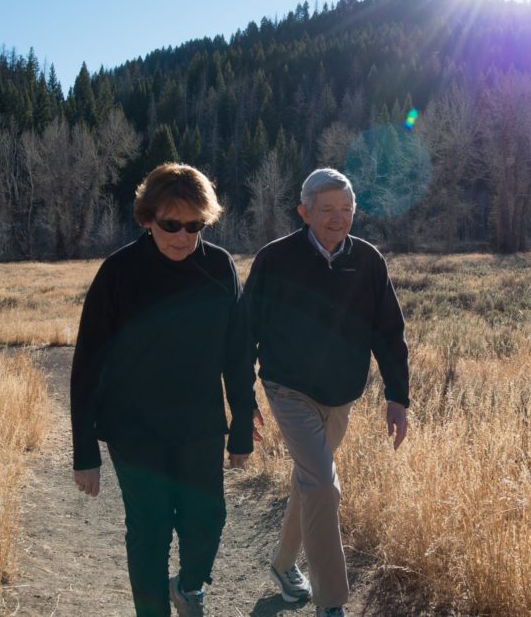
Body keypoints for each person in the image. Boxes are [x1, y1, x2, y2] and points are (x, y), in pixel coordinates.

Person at [70, 162, 261, 617]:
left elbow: (238, 354)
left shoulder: (219, 267)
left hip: (200, 425)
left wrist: (241, 424)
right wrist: (84, 452)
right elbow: (87, 366)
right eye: (171, 224)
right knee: (149, 532)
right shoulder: (118, 273)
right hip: (133, 430)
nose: (183, 236)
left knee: (207, 520)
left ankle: (189, 586)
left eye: (195, 226)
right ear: (147, 218)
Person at [244, 168, 410, 617]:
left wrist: (397, 397)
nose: (339, 218)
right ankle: (331, 602)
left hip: (341, 395)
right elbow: (244, 330)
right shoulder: (275, 259)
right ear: (304, 212)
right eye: (327, 210)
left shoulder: (368, 260)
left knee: (311, 484)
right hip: (288, 388)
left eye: (346, 209)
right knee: (322, 483)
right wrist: (243, 398)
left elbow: (388, 332)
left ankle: (282, 565)